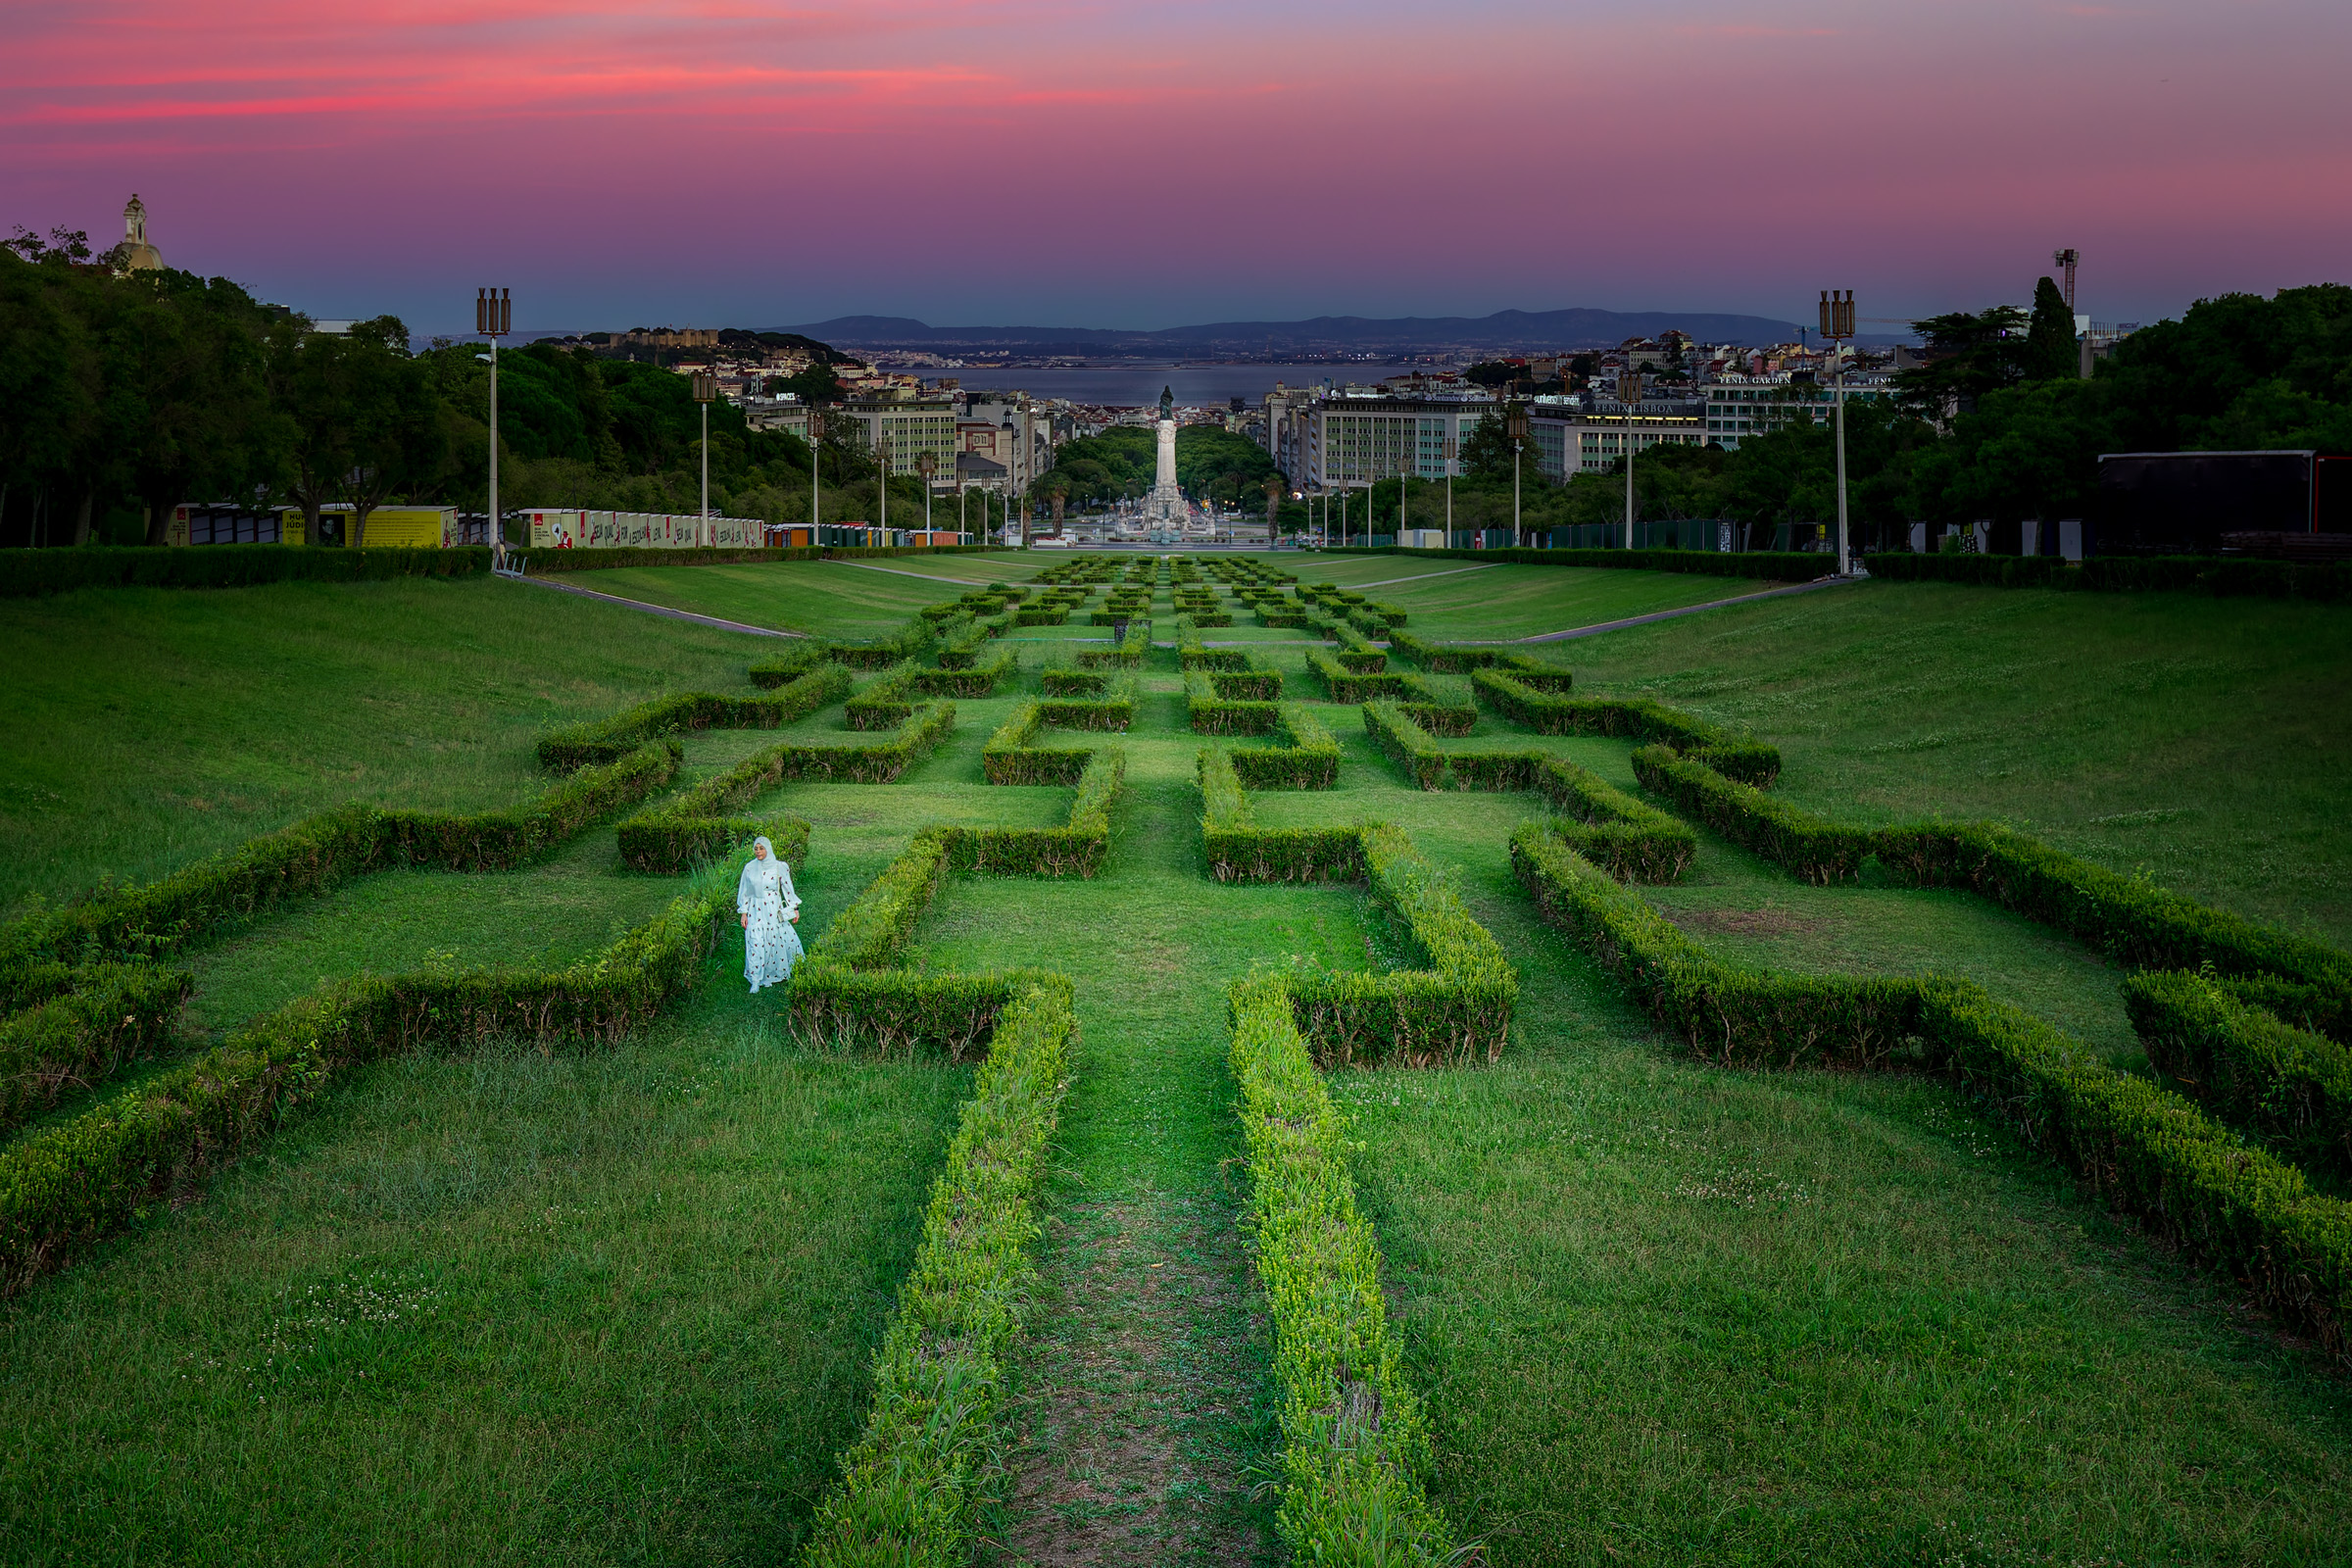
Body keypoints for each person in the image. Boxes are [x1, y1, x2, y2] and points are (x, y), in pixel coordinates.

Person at [737, 836, 803, 993]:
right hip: (755, 910)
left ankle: (778, 970)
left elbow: (787, 888)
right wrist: (744, 912)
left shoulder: (779, 867)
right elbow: (745, 892)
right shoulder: (749, 868)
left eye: (761, 848)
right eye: (756, 848)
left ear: (768, 849)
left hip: (773, 909)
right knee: (756, 941)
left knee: (777, 939)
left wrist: (794, 907)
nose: (758, 851)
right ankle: (756, 979)